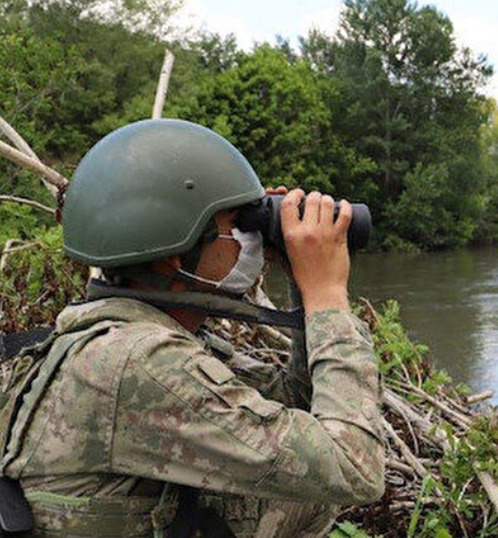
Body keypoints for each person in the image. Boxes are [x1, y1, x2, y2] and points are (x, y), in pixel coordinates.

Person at [0, 119, 385, 537]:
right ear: (173, 255)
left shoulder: (123, 332)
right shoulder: (140, 363)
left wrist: (299, 279)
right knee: (308, 492)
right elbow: (353, 467)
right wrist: (328, 294)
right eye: (236, 225)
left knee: (299, 489)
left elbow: (298, 404)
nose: (250, 239)